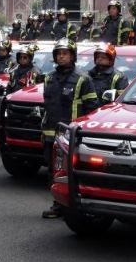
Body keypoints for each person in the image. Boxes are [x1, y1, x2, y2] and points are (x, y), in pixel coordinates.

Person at [41, 38, 99, 219]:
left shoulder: (83, 79)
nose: (61, 56)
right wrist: (43, 132)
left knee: (74, 173)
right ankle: (58, 204)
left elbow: (92, 109)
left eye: (65, 53)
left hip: (71, 136)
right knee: (54, 172)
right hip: (51, 134)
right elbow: (47, 106)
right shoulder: (49, 78)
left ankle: (78, 206)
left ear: (72, 56)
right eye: (58, 53)